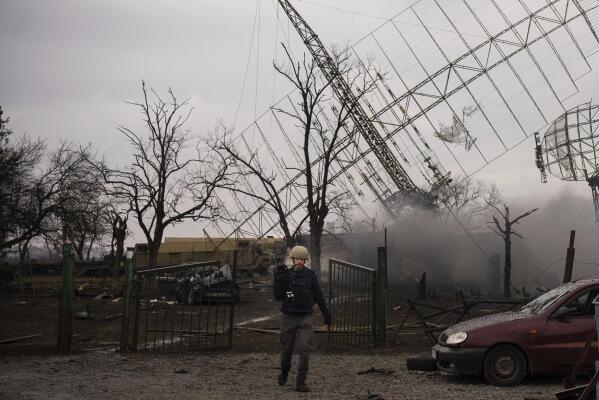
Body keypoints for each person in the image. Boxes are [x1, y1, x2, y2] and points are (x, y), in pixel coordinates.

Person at [273, 245, 331, 392]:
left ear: (305, 261)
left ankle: (301, 381)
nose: (299, 262)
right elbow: (278, 296)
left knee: (305, 350)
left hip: (305, 316)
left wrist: (326, 314)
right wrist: (278, 279)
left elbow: (318, 295)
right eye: (297, 259)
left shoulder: (310, 275)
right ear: (293, 259)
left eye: (302, 259)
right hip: (289, 316)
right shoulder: (286, 275)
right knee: (286, 349)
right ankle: (284, 372)